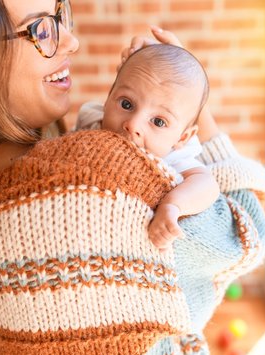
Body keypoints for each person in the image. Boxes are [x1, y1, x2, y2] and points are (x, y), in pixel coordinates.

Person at [0, 0, 265, 355]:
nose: (72, 42)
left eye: (59, 13)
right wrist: (199, 114)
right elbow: (247, 232)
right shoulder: (107, 180)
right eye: (40, 30)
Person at [76, 44, 220, 251]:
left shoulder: (173, 155)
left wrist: (173, 205)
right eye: (126, 104)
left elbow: (207, 185)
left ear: (182, 137)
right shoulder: (91, 121)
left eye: (158, 122)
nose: (133, 124)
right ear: (108, 98)